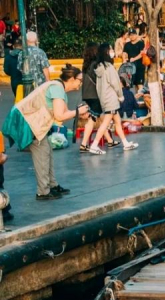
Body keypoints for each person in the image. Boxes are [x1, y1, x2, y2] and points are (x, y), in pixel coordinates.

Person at [2, 65, 88, 200]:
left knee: (47, 151)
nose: (81, 84)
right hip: (30, 123)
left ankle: (52, 185)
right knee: (41, 154)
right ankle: (43, 191)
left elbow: (64, 112)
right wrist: (78, 112)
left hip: (32, 121)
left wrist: (78, 113)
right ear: (71, 79)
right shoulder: (57, 89)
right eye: (80, 80)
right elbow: (60, 116)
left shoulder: (57, 86)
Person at [90, 43, 138, 154]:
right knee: (106, 123)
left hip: (105, 98)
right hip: (111, 99)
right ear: (107, 52)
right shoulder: (109, 68)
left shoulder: (99, 68)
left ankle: (125, 143)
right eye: (110, 49)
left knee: (117, 122)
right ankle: (94, 145)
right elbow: (116, 84)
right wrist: (120, 96)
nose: (113, 51)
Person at [80, 42, 115, 153]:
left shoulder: (85, 64)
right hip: (94, 95)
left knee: (99, 118)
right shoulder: (95, 65)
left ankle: (109, 140)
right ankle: (84, 144)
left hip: (86, 95)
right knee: (93, 120)